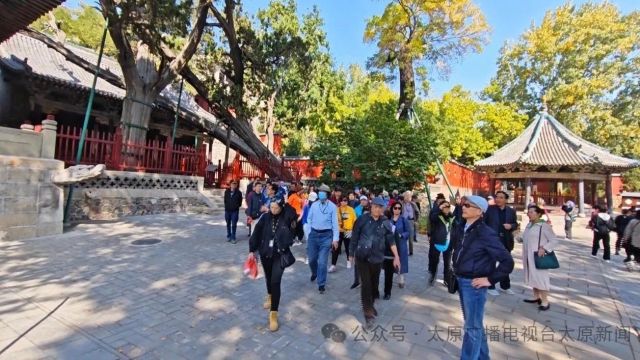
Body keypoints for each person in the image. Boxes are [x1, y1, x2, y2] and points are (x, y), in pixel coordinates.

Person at [451, 195, 514, 360]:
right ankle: (483, 357)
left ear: (479, 211)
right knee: (474, 325)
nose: (463, 207)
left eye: (468, 205)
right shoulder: (463, 227)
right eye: (464, 204)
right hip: (462, 280)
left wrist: (490, 280)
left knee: (472, 328)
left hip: (474, 285)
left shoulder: (485, 233)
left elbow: (507, 262)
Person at [349, 197, 400, 329]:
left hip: (377, 258)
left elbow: (391, 240)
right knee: (365, 285)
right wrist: (351, 254)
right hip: (363, 257)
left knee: (374, 285)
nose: (377, 209)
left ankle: (370, 305)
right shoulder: (362, 220)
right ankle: (368, 314)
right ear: (371, 207)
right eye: (375, 206)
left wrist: (396, 256)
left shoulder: (385, 222)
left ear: (383, 209)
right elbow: (354, 237)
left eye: (380, 207)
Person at [248, 195, 296, 332]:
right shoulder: (265, 217)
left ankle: (273, 314)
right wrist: (252, 250)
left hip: (280, 255)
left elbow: (293, 214)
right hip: (265, 254)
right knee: (269, 279)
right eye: (272, 207)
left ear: (281, 207)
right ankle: (269, 295)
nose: (273, 209)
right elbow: (256, 233)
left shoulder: (286, 216)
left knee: (275, 281)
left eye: (276, 207)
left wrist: (285, 204)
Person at [521, 205, 558, 311]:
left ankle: (545, 301)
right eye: (529, 212)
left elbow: (554, 240)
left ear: (538, 214)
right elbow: (526, 239)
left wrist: (545, 248)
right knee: (532, 276)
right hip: (528, 256)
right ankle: (536, 297)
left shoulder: (544, 226)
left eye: (532, 212)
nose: (530, 214)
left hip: (538, 256)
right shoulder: (529, 225)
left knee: (541, 277)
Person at [483, 191, 518, 296]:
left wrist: (511, 226)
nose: (498, 199)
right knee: (491, 264)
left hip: (506, 241)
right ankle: (490, 286)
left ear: (506, 200)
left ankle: (505, 286)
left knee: (505, 263)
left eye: (501, 197)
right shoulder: (489, 210)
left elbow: (515, 224)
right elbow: (483, 223)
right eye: (497, 197)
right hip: (493, 241)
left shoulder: (511, 211)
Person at [307, 184, 340, 294]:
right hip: (313, 235)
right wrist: (308, 233)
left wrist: (335, 239)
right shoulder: (314, 205)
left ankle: (321, 283)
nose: (321, 194)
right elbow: (309, 219)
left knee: (322, 262)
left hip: (326, 236)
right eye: (320, 192)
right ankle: (315, 273)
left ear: (327, 194)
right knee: (312, 259)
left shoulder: (332, 206)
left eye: (323, 192)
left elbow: (335, 224)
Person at [384, 202, 409, 298]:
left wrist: (402, 235)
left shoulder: (403, 220)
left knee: (401, 260)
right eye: (395, 208)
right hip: (391, 244)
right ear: (392, 209)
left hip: (401, 243)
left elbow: (408, 232)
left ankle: (401, 277)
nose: (397, 210)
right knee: (391, 261)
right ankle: (392, 275)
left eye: (399, 208)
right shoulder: (388, 220)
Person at [428, 200, 455, 287]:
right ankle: (432, 276)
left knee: (447, 263)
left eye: (448, 206)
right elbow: (432, 218)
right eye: (444, 207)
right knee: (434, 260)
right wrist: (439, 209)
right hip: (437, 242)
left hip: (448, 243)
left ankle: (446, 279)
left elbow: (457, 226)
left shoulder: (452, 216)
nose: (446, 208)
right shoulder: (437, 216)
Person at [331, 197, 357, 272]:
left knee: (347, 247)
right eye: (342, 200)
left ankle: (348, 261)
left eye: (345, 200)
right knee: (335, 248)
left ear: (347, 201)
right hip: (338, 231)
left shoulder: (351, 210)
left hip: (348, 231)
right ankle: (333, 265)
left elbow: (354, 220)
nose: (343, 202)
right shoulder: (337, 210)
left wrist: (353, 230)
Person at [401, 191, 420, 255]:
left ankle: (411, 251)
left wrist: (416, 220)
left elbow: (418, 212)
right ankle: (402, 250)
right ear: (404, 197)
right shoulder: (401, 204)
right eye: (407, 196)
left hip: (411, 221)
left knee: (410, 238)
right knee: (403, 236)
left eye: (410, 196)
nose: (409, 198)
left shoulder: (413, 204)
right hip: (403, 221)